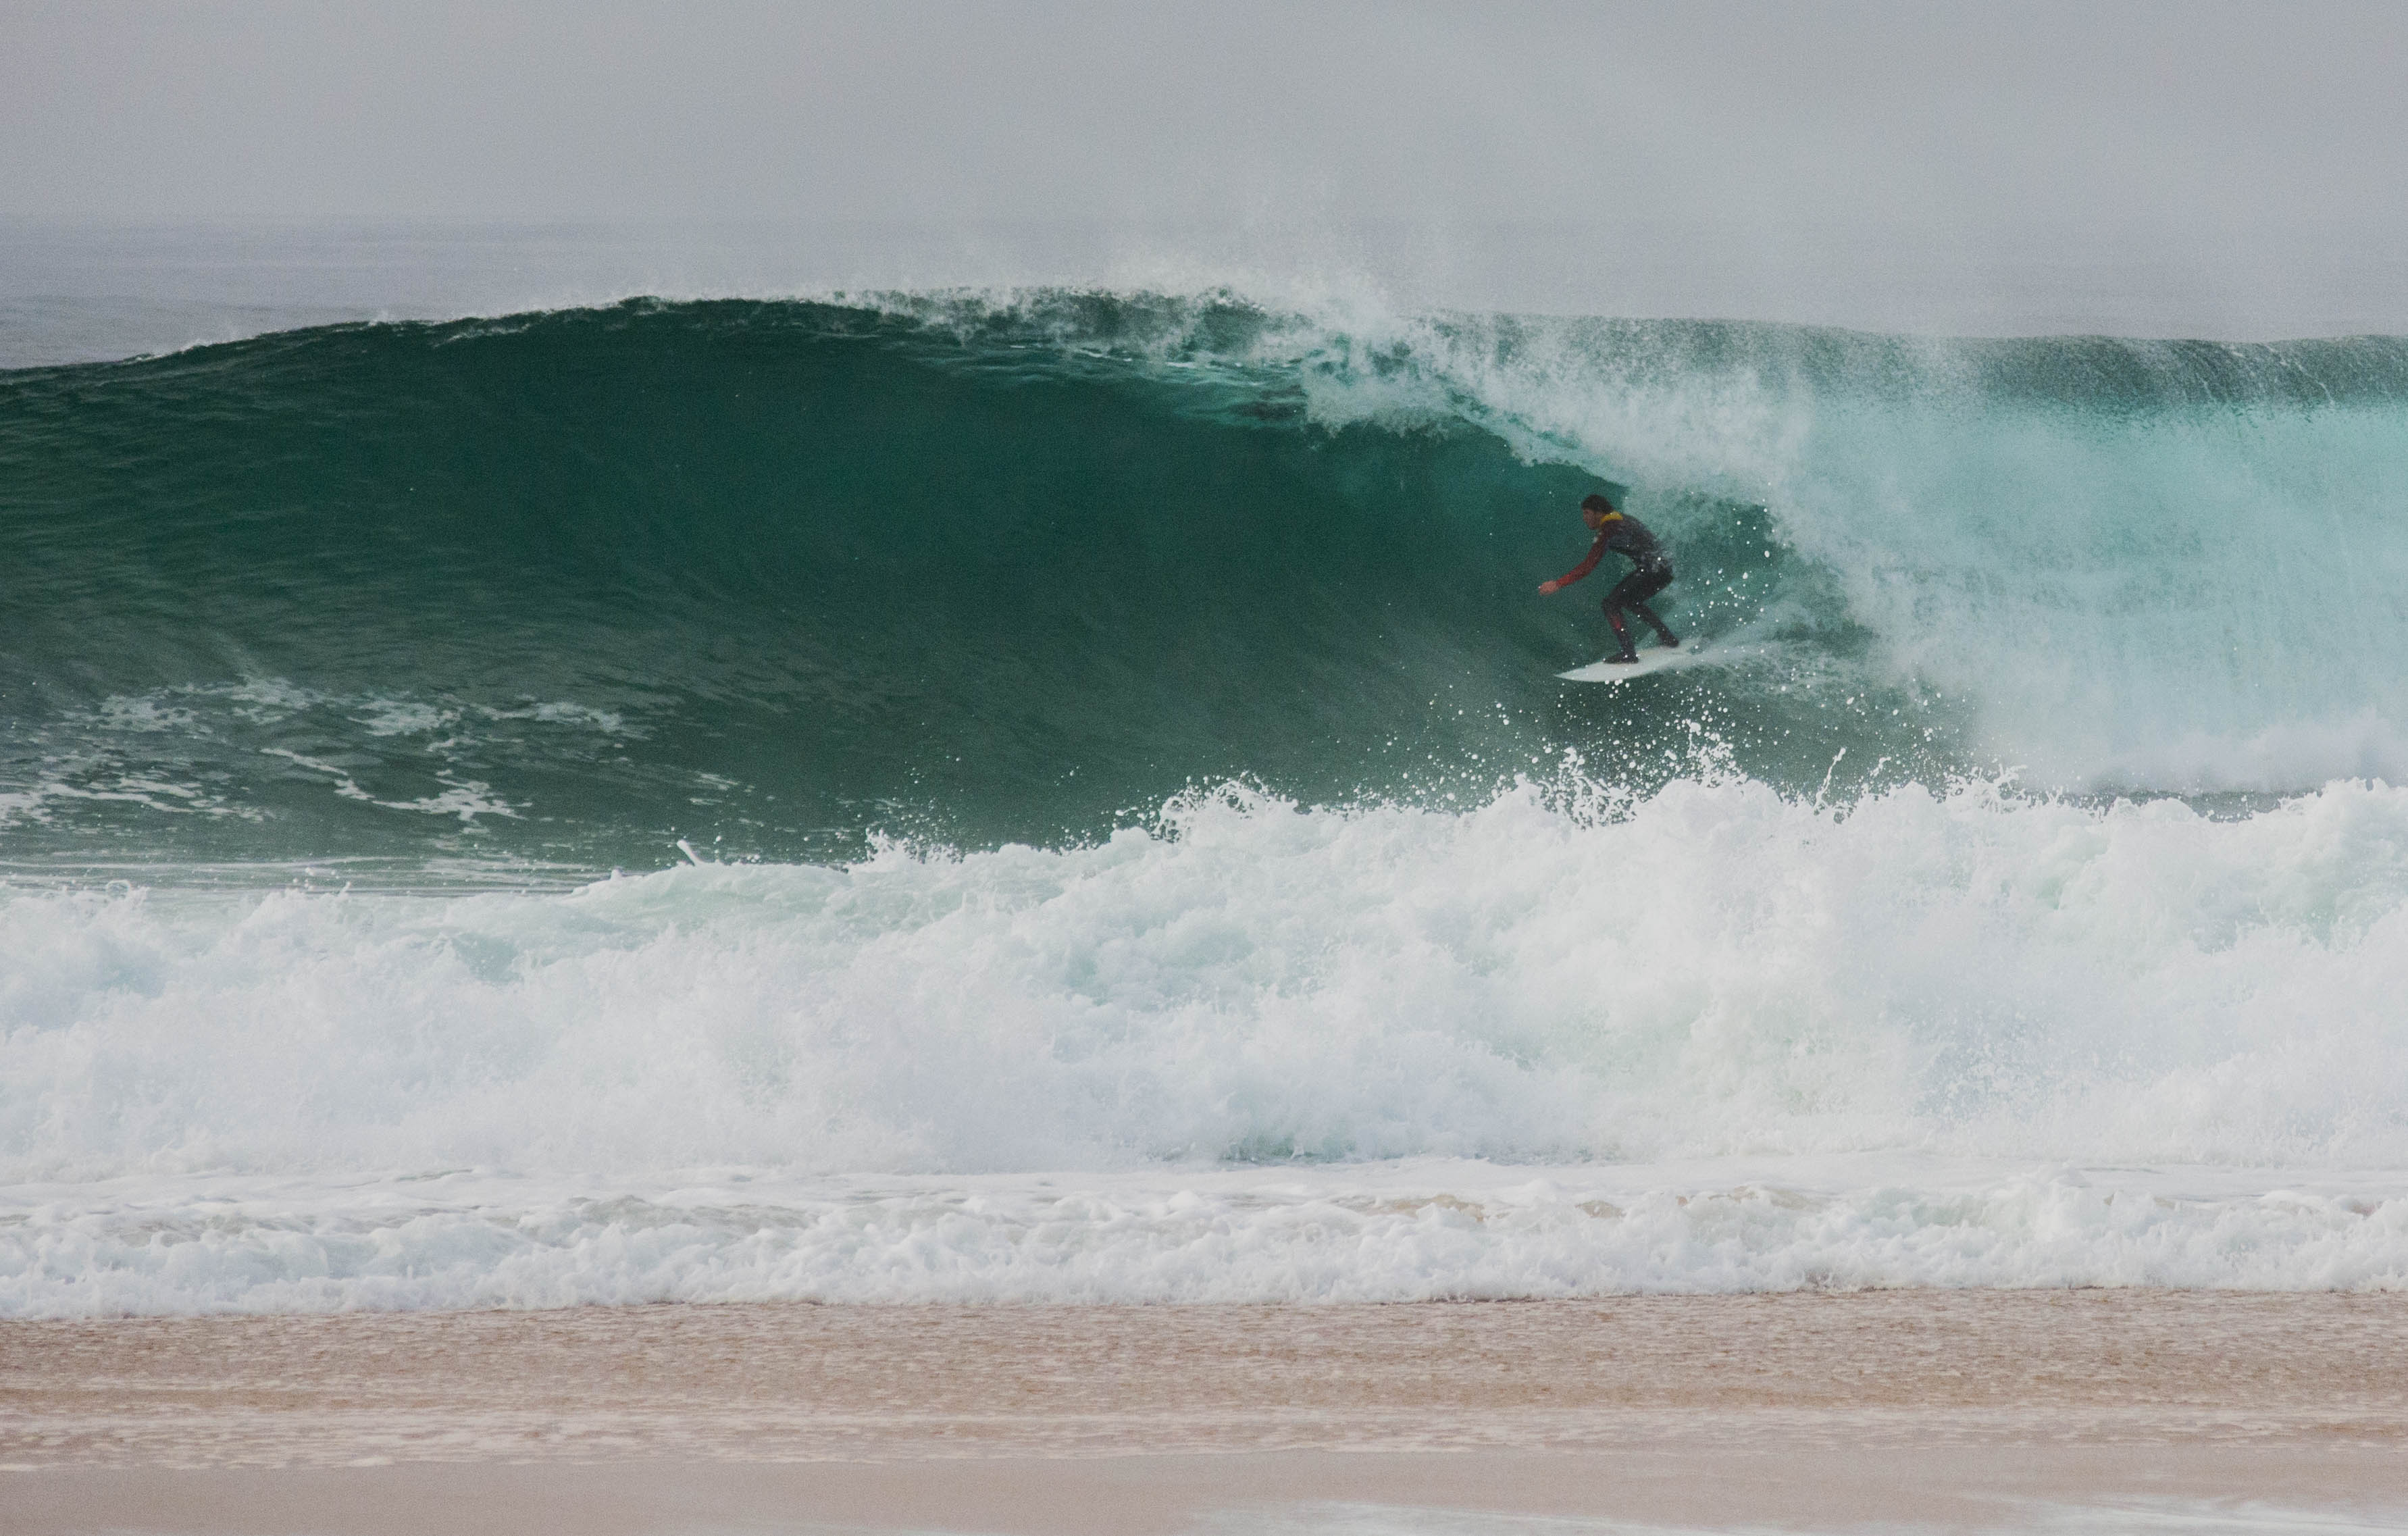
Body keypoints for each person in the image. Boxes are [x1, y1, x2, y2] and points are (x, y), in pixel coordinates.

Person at [1537, 492, 1680, 663]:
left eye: (1587, 513)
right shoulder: (1625, 519)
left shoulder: (1609, 530)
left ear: (1599, 512)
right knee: (1630, 601)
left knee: (1610, 603)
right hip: (1665, 569)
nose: (1584, 519)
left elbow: (1588, 566)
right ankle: (1667, 638)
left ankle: (1629, 653)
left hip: (1653, 569)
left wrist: (1558, 584)